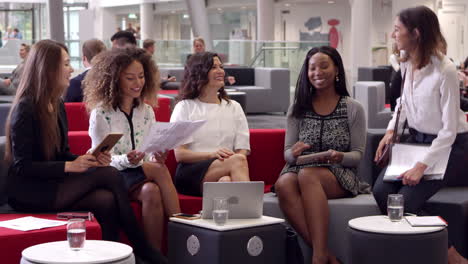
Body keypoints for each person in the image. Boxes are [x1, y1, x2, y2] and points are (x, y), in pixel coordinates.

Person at [4, 39, 167, 264]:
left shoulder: (56, 104)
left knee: (106, 199)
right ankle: (141, 247)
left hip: (52, 182)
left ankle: (113, 256)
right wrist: (71, 166)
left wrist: (84, 159)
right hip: (28, 190)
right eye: (66, 63)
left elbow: (62, 153)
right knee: (108, 173)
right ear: (48, 68)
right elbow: (23, 166)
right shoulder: (26, 107)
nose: (71, 69)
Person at [372, 6, 468, 264]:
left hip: (450, 148)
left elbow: (448, 131)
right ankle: (427, 246)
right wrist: (390, 130)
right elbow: (404, 102)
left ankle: (449, 254)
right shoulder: (405, 63)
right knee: (381, 193)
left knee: (403, 201)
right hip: (415, 143)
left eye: (397, 30)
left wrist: (421, 167)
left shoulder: (445, 70)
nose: (393, 35)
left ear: (416, 33)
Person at [274, 46, 368, 264]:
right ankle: (326, 255)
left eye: (324, 66)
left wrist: (339, 156)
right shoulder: (298, 108)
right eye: (312, 68)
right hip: (299, 169)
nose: (317, 72)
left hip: (339, 173)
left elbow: (357, 155)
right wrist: (293, 153)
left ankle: (317, 258)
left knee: (308, 175)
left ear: (336, 70)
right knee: (283, 183)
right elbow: (287, 154)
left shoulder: (353, 108)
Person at [84, 47, 181, 250]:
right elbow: (100, 158)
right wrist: (127, 160)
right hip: (113, 175)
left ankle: (152, 255)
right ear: (115, 79)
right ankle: (182, 224)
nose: (138, 83)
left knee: (151, 191)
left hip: (142, 175)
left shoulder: (146, 111)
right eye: (130, 78)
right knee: (158, 170)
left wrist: (158, 154)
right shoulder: (102, 113)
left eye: (141, 76)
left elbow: (149, 151)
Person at [170, 52, 250, 196]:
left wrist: (230, 161)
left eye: (221, 66)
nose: (220, 71)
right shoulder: (185, 107)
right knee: (237, 161)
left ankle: (229, 216)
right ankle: (251, 214)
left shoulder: (234, 107)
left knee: (226, 180)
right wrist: (211, 155)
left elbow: (242, 150)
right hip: (192, 172)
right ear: (200, 72)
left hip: (228, 167)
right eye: (214, 67)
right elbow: (180, 154)